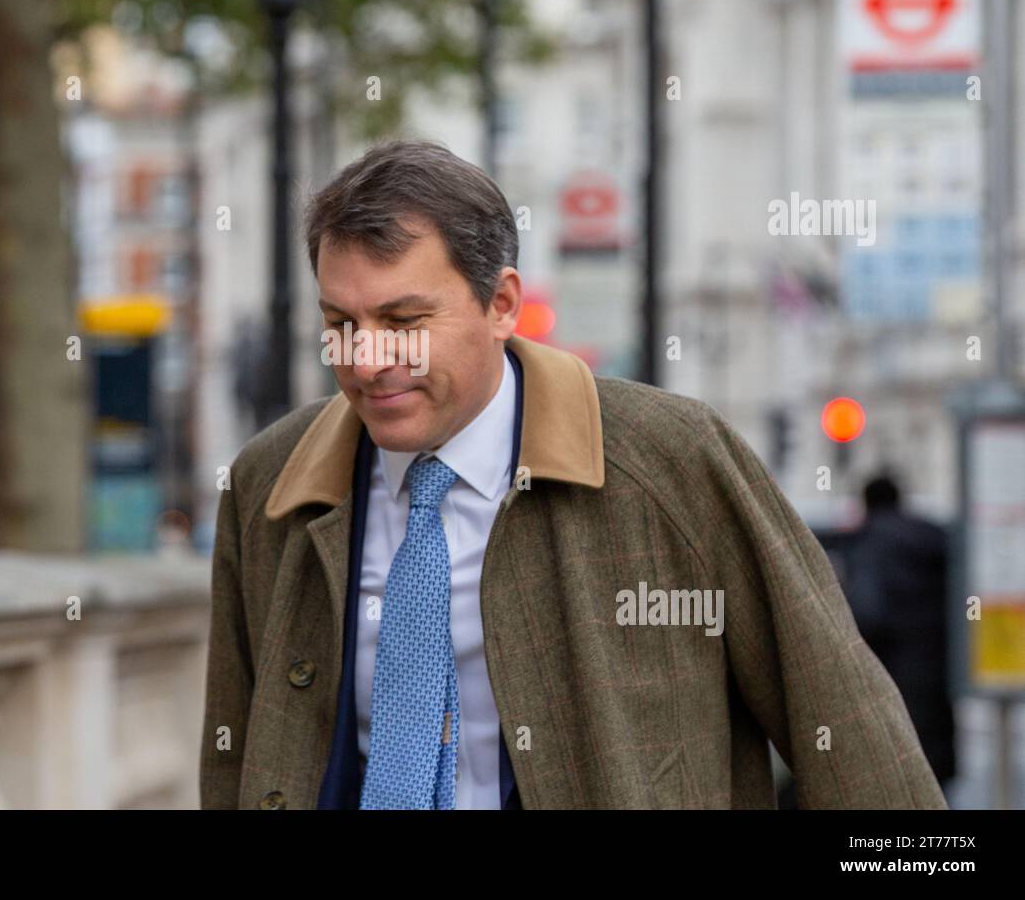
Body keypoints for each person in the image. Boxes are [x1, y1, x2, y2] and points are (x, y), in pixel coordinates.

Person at [199, 140, 946, 809]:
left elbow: (844, 726)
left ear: (501, 305)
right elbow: (231, 758)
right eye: (341, 325)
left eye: (404, 322)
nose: (366, 360)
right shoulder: (270, 485)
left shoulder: (675, 460)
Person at [843, 475, 957, 795]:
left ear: (867, 503)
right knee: (934, 768)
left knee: (900, 771)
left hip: (895, 673)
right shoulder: (932, 537)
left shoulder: (874, 543)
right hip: (937, 670)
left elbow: (869, 612)